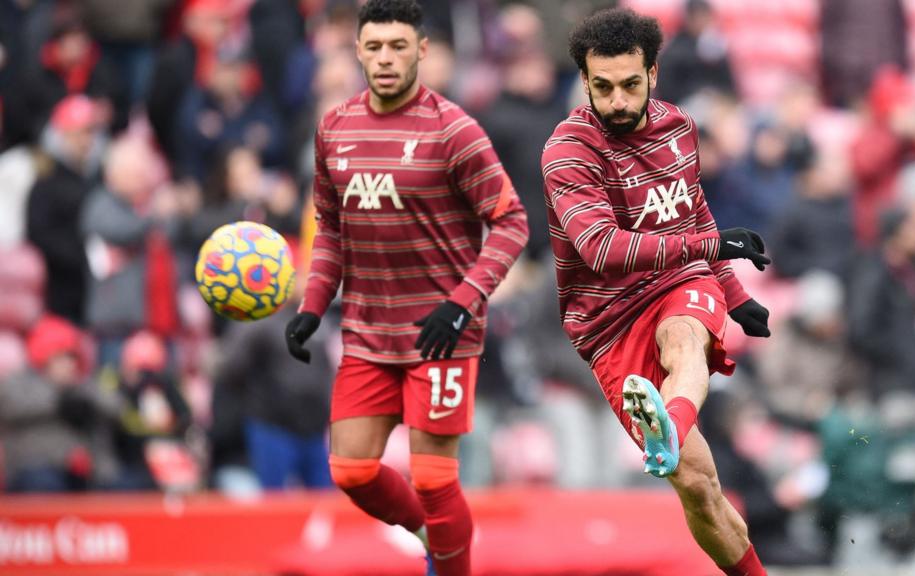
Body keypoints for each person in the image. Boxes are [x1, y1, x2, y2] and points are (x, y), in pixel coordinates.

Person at [283, 1, 529, 575]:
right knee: (351, 470)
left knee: (435, 478)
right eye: (374, 47)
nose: (386, 58)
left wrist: (463, 304)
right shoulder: (334, 128)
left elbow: (512, 221)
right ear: (359, 52)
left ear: (421, 51)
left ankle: (449, 562)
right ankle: (433, 538)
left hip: (440, 333)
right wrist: (312, 307)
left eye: (398, 46)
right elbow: (330, 229)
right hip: (368, 330)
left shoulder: (456, 129)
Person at [541, 9, 771, 575]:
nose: (617, 100)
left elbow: (692, 210)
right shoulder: (566, 152)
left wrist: (735, 295)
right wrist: (710, 248)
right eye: (602, 87)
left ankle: (667, 419)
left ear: (654, 73)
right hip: (607, 323)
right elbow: (602, 250)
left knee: (682, 340)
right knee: (698, 484)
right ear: (585, 81)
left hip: (678, 284)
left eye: (629, 84)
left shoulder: (681, 128)